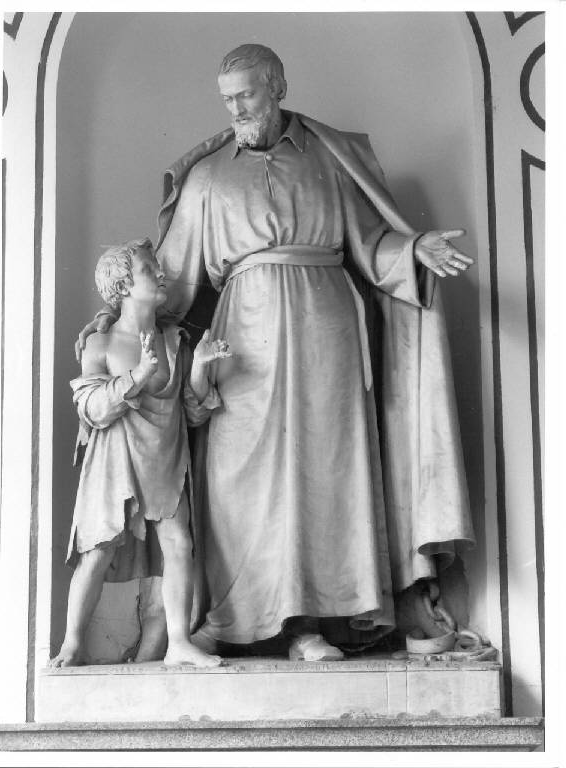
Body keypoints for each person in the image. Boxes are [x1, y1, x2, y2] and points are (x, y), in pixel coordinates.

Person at [77, 44, 475, 661]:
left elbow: (371, 243)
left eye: (247, 94)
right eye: (227, 98)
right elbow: (169, 281)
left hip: (328, 338)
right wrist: (113, 328)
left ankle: (314, 623)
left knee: (327, 472)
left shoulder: (329, 161)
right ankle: (236, 616)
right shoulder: (209, 177)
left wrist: (412, 249)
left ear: (278, 87)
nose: (236, 108)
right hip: (243, 345)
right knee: (235, 477)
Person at [52, 237, 231, 668]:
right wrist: (136, 376)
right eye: (151, 269)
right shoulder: (101, 344)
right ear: (124, 285)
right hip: (115, 460)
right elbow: (93, 409)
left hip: (165, 455)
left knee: (179, 543)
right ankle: (72, 645)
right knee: (98, 550)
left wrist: (201, 368)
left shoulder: (174, 342)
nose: (162, 273)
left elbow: (192, 412)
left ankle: (178, 642)